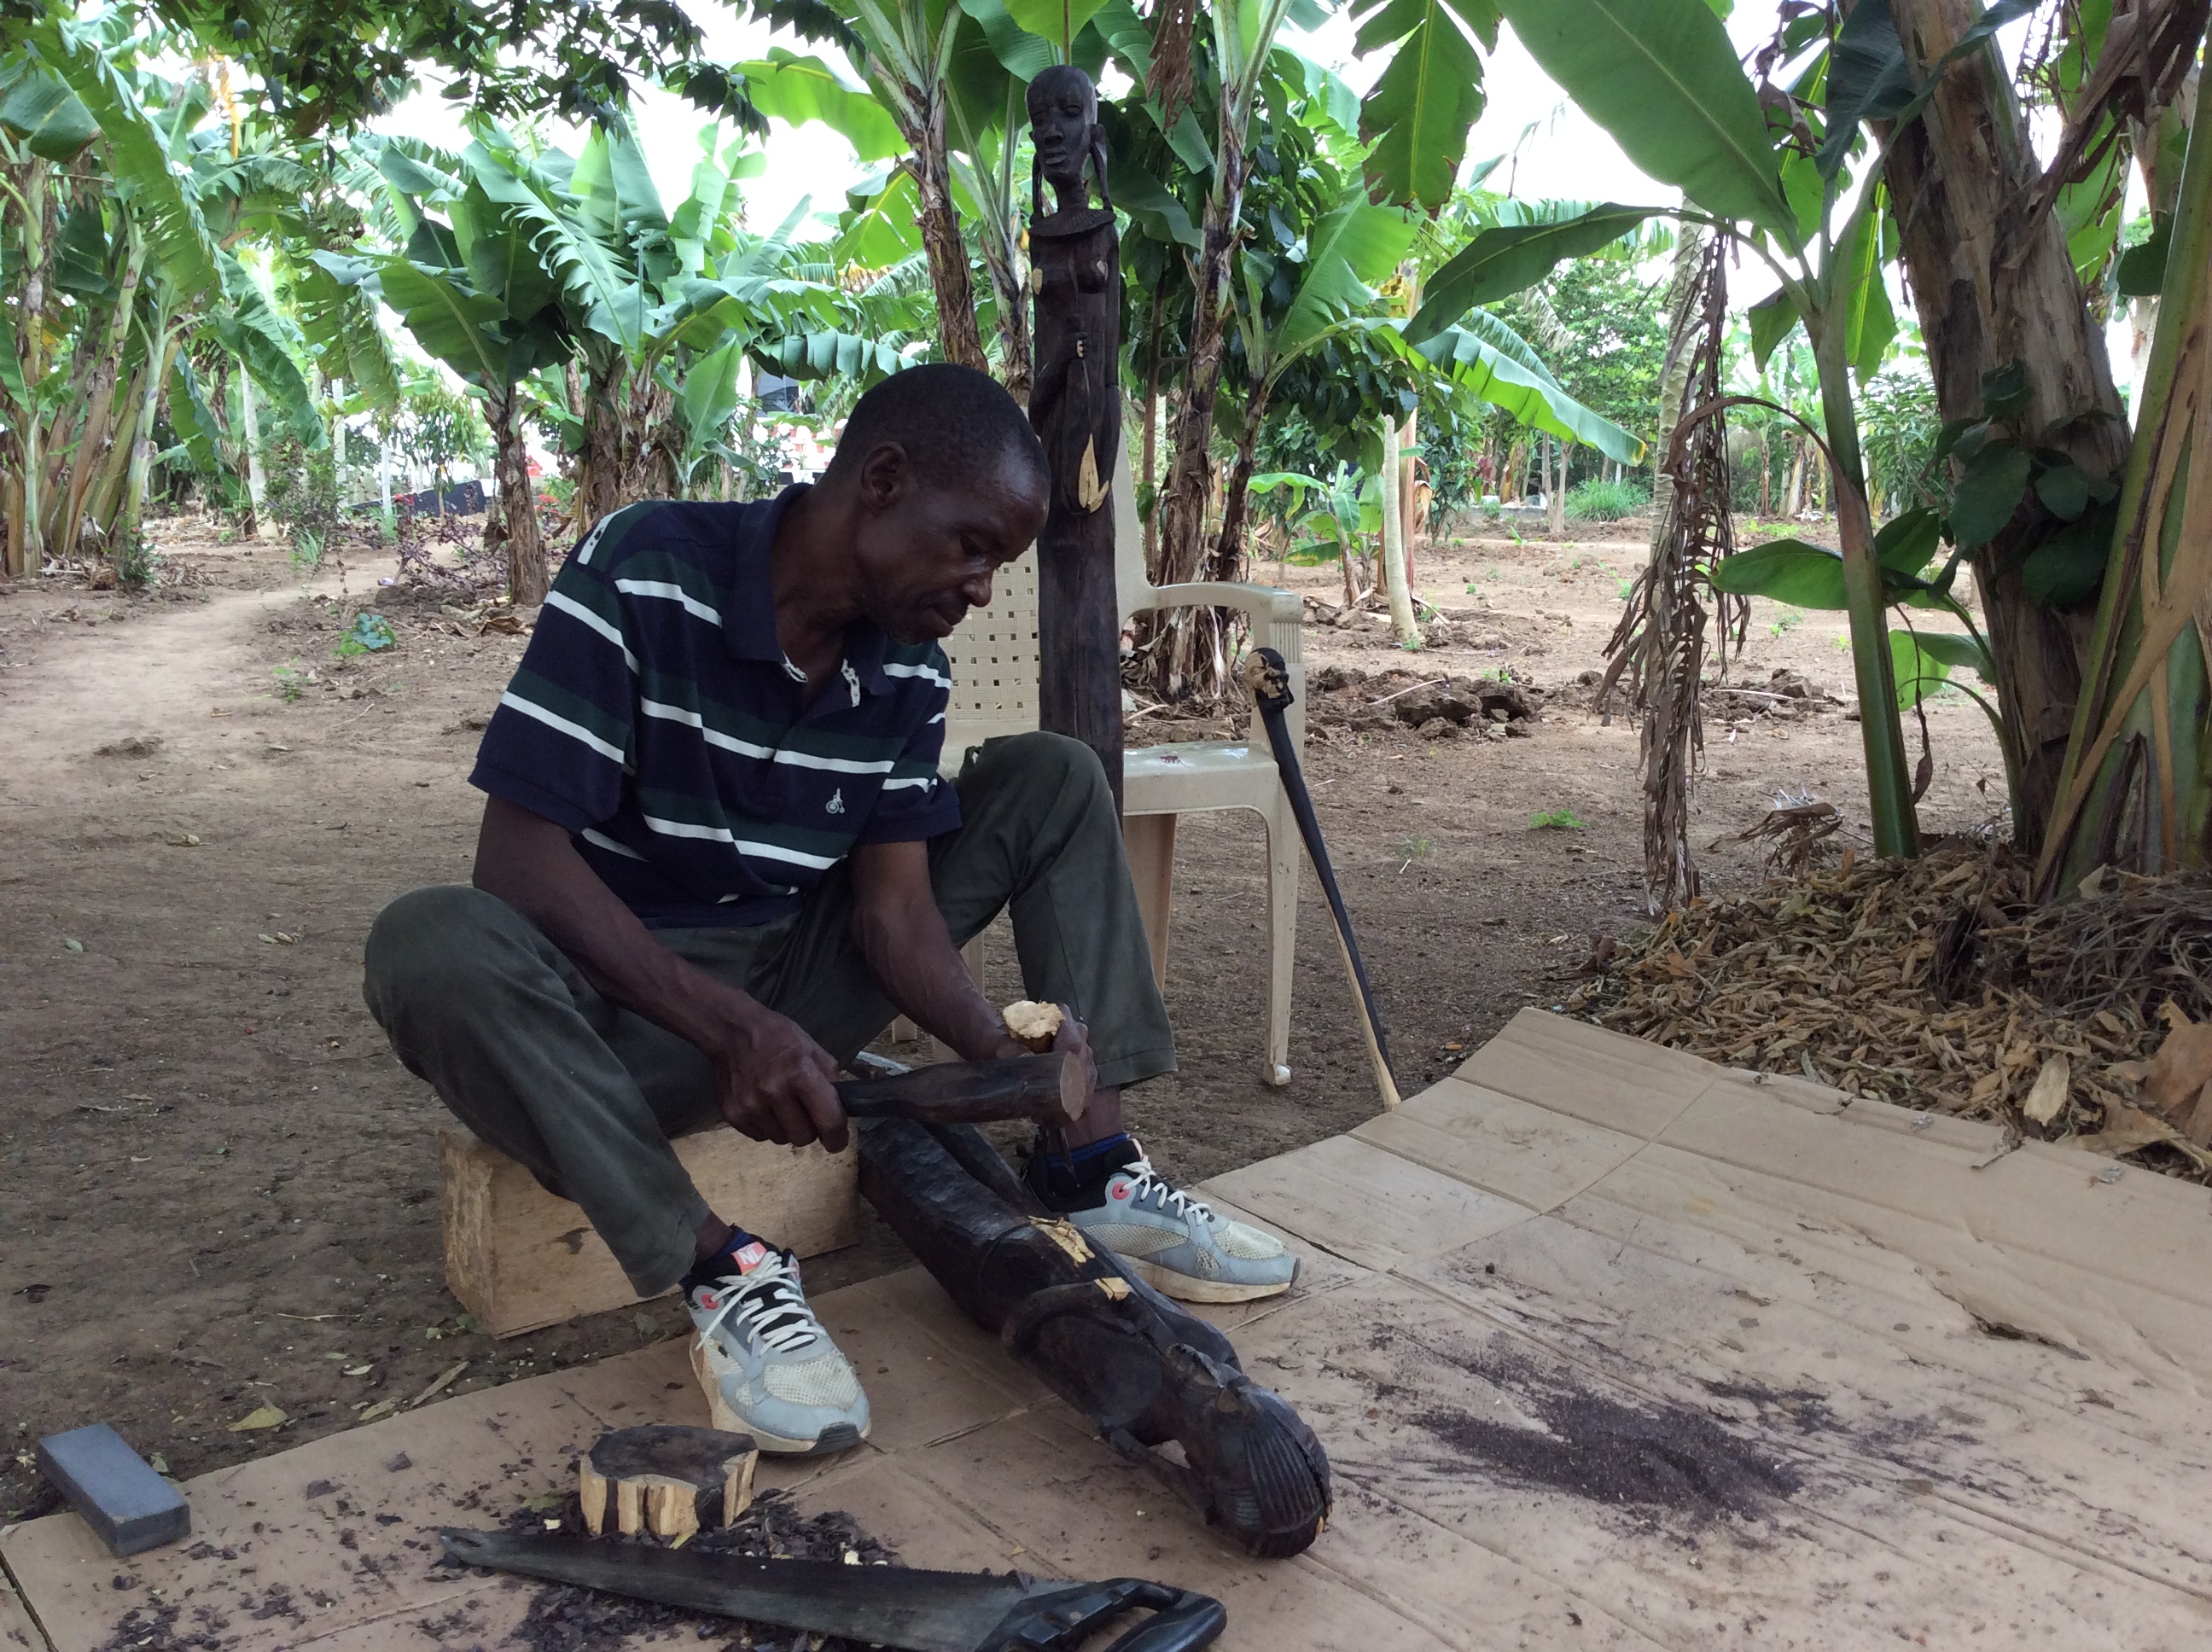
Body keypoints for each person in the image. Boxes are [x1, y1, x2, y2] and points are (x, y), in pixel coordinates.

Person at [363, 364, 1295, 1459]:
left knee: (1051, 777)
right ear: (884, 480)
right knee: (425, 940)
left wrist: (1006, 1055)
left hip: (794, 989)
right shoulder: (645, 569)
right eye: (972, 546)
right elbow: (515, 862)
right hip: (616, 1022)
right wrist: (728, 1028)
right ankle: (724, 1272)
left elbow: (893, 914)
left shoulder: (907, 664)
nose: (983, 586)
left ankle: (1095, 1167)